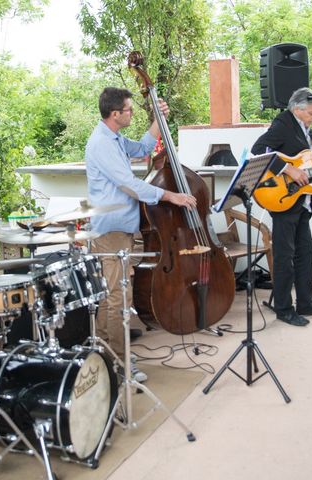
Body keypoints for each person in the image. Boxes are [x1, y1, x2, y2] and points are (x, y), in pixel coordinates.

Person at [85, 87, 197, 382]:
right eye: (129, 110)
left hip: (120, 228)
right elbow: (128, 183)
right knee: (117, 297)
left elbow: (143, 148)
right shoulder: (101, 144)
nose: (132, 113)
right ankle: (119, 365)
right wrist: (170, 196)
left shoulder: (115, 138)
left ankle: (106, 354)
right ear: (114, 114)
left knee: (113, 296)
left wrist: (158, 119)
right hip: (110, 230)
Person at [252, 87, 312, 327]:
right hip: (282, 200)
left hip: (303, 203)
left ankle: (306, 303)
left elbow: (311, 170)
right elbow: (258, 150)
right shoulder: (283, 122)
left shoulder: (309, 134)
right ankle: (283, 309)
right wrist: (288, 169)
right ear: (297, 110)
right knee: (284, 256)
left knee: (305, 253)